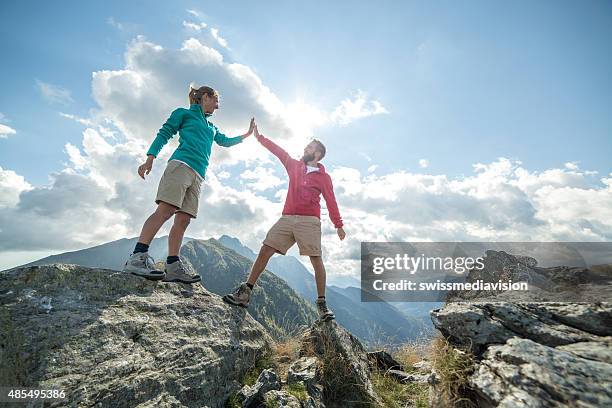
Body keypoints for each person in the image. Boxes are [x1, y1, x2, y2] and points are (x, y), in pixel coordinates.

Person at [123, 85, 255, 283]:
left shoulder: (212, 127)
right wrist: (150, 158)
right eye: (216, 100)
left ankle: (173, 266)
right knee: (165, 210)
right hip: (181, 166)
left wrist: (247, 135)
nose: (217, 106)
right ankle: (137, 258)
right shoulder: (183, 113)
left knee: (183, 220)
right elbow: (164, 133)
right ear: (205, 97)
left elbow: (225, 142)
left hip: (198, 175)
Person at [223, 125, 346, 321]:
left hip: (309, 221)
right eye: (306, 146)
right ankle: (245, 293)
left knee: (316, 260)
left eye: (310, 147)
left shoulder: (324, 178)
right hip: (287, 218)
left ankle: (322, 305)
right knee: (265, 250)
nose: (305, 148)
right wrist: (260, 137)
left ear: (318, 153)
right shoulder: (294, 165)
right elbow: (278, 151)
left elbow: (331, 200)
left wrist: (338, 224)